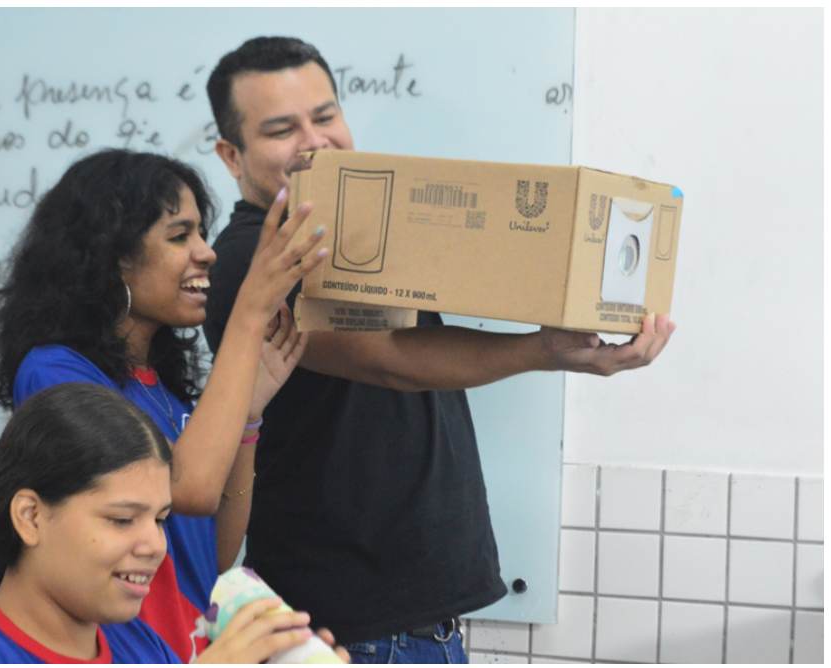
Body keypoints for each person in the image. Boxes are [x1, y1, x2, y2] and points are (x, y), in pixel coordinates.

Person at [203, 36, 676, 664]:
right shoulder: (247, 261)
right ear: (231, 155)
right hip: (343, 631)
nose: (315, 141)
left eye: (325, 116)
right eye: (281, 129)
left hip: (422, 625)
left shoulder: (366, 234)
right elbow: (389, 359)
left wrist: (575, 316)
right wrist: (543, 350)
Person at [0, 149, 328, 660]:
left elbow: (213, 554)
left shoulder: (160, 388)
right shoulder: (54, 369)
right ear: (113, 255)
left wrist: (249, 416)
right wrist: (249, 312)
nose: (207, 253)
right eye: (180, 236)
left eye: (203, 233)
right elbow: (190, 487)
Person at [0, 383, 325, 663]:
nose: (154, 546)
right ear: (31, 517)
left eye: (161, 519)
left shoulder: (140, 644)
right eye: (122, 519)